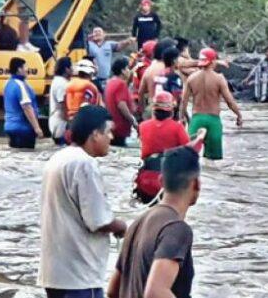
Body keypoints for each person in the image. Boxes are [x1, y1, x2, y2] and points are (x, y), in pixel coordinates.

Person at [38, 105, 128, 298]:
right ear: (95, 134)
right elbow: (98, 220)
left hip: (55, 272)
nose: (111, 138)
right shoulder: (85, 164)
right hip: (79, 275)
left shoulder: (58, 158)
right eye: (108, 132)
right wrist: (123, 227)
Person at [109, 146, 201, 298]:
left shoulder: (138, 222)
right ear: (197, 184)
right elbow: (155, 292)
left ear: (161, 181)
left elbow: (113, 291)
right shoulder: (176, 229)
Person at [135, 90, 205, 204]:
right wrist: (200, 137)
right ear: (171, 111)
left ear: (153, 109)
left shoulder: (142, 126)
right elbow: (189, 151)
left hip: (144, 180)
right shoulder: (177, 128)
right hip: (168, 181)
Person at [180, 47, 243, 160]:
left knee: (188, 157)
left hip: (196, 120)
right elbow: (229, 101)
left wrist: (182, 118)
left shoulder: (191, 78)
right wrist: (238, 115)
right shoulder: (219, 79)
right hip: (213, 121)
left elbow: (183, 101)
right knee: (213, 162)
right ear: (213, 62)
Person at [4, 57, 44, 148]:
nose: (27, 70)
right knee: (28, 155)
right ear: (19, 69)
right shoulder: (21, 85)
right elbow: (27, 108)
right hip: (23, 128)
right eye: (25, 67)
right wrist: (37, 128)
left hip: (9, 127)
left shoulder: (7, 83)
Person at [87, 26, 134, 92]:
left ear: (104, 34)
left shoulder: (109, 44)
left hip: (105, 79)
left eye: (99, 31)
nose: (97, 33)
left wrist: (128, 41)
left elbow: (119, 46)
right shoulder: (88, 44)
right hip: (92, 79)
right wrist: (87, 38)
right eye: (95, 32)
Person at [105, 57, 138, 147]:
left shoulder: (110, 82)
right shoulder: (120, 84)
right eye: (127, 68)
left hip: (112, 126)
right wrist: (132, 120)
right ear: (122, 70)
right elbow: (121, 105)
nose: (129, 71)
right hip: (120, 126)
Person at [49, 57, 74, 145]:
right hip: (60, 124)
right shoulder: (62, 84)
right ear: (67, 69)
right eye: (72, 67)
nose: (73, 69)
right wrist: (70, 123)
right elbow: (63, 104)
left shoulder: (57, 80)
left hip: (57, 122)